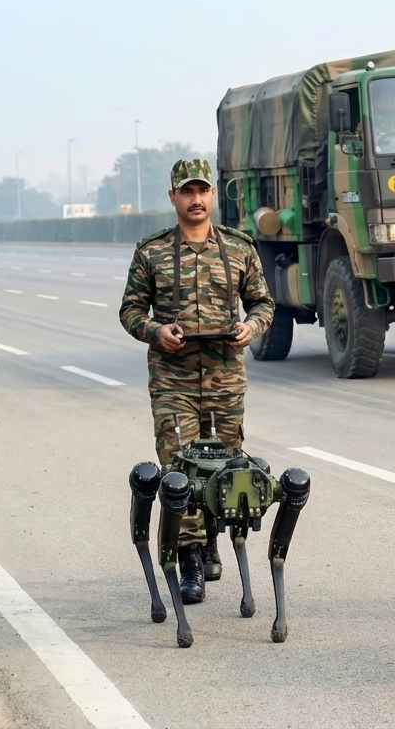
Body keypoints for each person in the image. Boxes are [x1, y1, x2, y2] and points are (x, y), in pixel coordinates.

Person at [119, 159, 274, 604]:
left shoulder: (239, 248)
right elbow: (130, 310)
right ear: (173, 197)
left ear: (212, 195)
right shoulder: (151, 252)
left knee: (226, 466)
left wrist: (250, 328)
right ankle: (188, 556)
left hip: (225, 377)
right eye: (186, 192)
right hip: (174, 379)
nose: (196, 199)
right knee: (179, 467)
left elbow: (263, 303)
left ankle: (209, 539)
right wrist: (156, 332)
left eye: (202, 190)